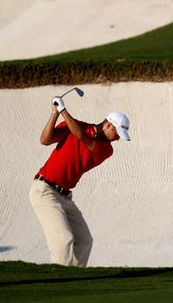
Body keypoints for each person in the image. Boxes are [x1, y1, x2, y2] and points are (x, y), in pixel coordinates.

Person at [29, 93, 131, 267]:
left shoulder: (106, 149)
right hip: (44, 191)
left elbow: (82, 137)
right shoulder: (75, 126)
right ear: (107, 125)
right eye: (117, 133)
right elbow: (44, 140)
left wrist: (63, 110)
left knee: (84, 241)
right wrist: (55, 113)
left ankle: (75, 278)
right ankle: (58, 283)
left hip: (64, 197)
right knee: (64, 240)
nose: (118, 139)